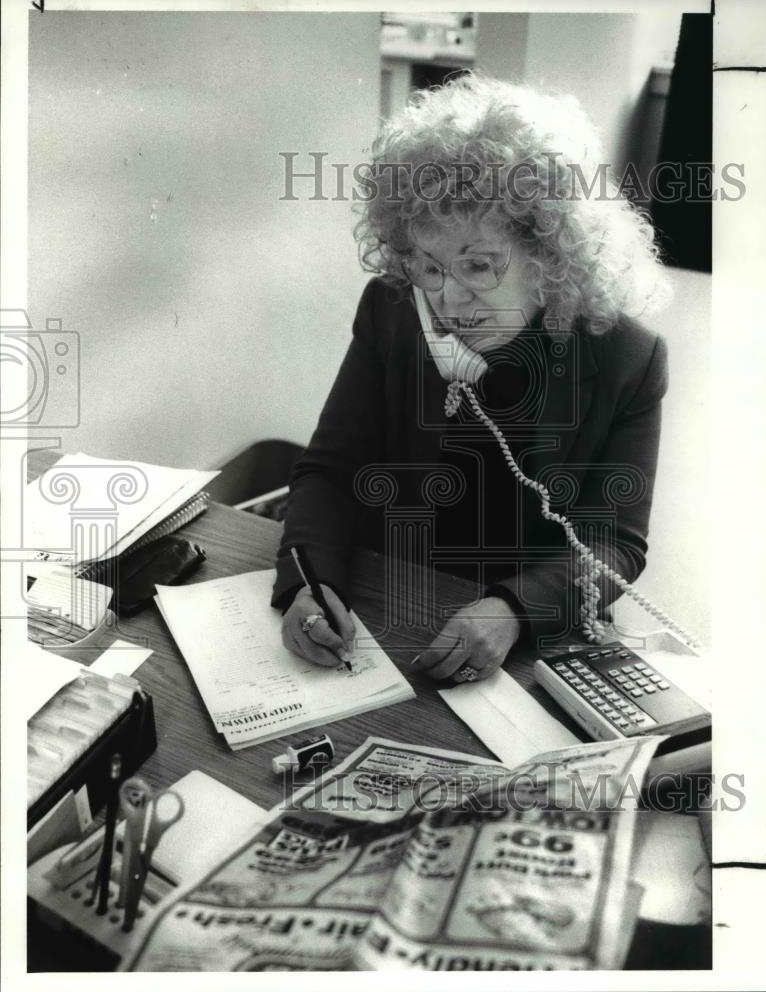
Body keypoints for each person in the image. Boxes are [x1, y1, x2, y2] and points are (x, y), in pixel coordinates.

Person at [272, 73, 672, 685]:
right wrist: (312, 581)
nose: (450, 302)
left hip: (531, 638)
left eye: (478, 267)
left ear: (551, 256)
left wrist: (515, 609)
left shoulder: (626, 357)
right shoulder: (394, 308)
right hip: (388, 604)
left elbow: (615, 542)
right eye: (428, 266)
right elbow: (330, 469)